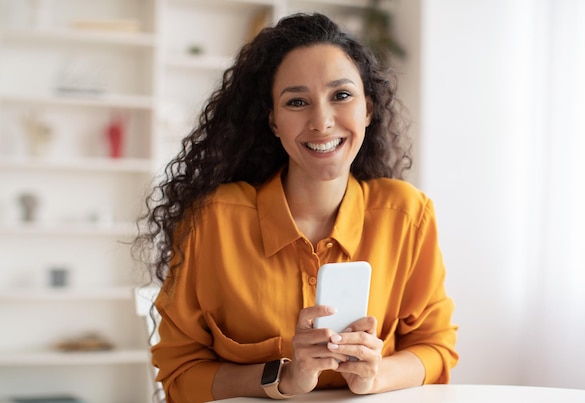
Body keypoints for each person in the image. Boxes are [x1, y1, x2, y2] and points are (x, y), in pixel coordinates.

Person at [133, 12, 458, 403]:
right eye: (297, 101)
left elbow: (436, 350)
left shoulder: (408, 216)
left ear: (367, 110)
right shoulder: (213, 221)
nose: (321, 121)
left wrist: (373, 376)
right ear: (273, 121)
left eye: (341, 96)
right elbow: (180, 375)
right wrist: (285, 377)